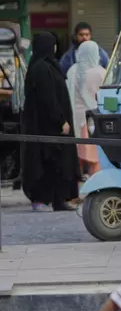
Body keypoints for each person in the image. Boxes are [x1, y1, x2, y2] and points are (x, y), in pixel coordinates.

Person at [21, 32, 80, 212]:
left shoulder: (47, 66)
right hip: (48, 127)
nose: (55, 48)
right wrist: (61, 120)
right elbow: (48, 99)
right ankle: (43, 199)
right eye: (52, 44)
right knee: (47, 162)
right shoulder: (42, 69)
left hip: (48, 128)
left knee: (58, 164)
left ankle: (59, 199)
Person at [66, 40, 107, 177]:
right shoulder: (100, 73)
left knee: (77, 157)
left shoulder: (72, 70)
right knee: (95, 159)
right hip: (93, 120)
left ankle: (74, 189)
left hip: (75, 117)